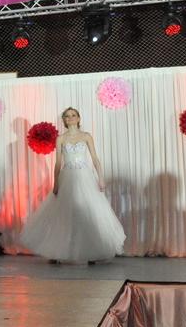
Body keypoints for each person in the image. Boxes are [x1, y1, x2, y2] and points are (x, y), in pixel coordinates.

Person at [21, 107, 125, 263]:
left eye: (73, 115)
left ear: (78, 118)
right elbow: (58, 163)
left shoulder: (86, 136)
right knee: (63, 215)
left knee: (89, 213)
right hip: (67, 177)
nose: (70, 118)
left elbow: (95, 159)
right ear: (64, 120)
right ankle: (58, 252)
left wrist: (101, 178)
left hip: (85, 177)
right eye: (67, 116)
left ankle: (92, 252)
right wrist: (56, 183)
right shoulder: (61, 139)